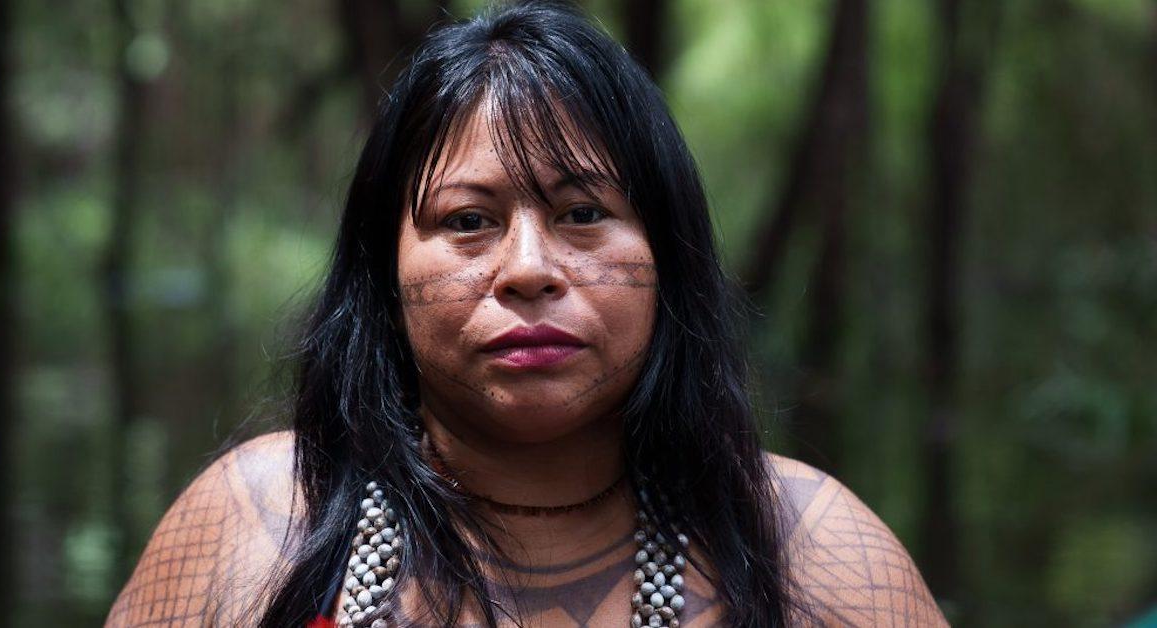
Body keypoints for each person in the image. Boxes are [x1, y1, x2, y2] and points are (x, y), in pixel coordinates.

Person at [106, 1, 946, 626]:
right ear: (384, 273)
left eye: (584, 214)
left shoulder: (818, 553)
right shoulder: (257, 522)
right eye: (468, 221)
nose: (530, 270)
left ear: (668, 253)